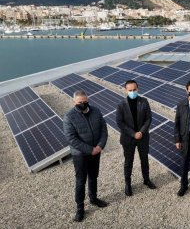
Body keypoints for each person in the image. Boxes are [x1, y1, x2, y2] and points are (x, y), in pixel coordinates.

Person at [63, 90, 108, 222]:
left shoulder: (96, 111)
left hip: (96, 151)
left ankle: (93, 198)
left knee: (94, 176)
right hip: (80, 155)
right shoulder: (69, 117)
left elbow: (103, 130)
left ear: (88, 100)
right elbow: (71, 139)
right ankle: (80, 208)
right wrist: (90, 149)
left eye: (85, 101)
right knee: (81, 181)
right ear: (74, 102)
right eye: (80, 102)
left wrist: (100, 146)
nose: (83, 104)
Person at [116, 79, 156, 197]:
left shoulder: (144, 101)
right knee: (129, 162)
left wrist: (141, 132)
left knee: (144, 160)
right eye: (130, 90)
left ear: (138, 89)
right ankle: (128, 184)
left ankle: (146, 179)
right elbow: (120, 122)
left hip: (143, 137)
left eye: (134, 90)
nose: (132, 92)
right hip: (128, 139)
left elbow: (149, 118)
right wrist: (133, 134)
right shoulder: (121, 105)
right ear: (126, 90)